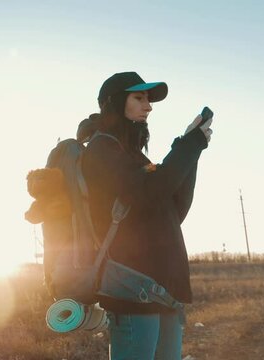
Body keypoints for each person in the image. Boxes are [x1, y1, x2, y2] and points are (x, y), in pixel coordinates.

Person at [81, 72, 213, 360]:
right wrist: (187, 146)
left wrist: (191, 147)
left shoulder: (135, 156)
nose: (149, 106)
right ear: (115, 102)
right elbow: (149, 194)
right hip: (132, 291)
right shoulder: (102, 149)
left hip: (164, 289)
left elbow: (173, 210)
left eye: (148, 99)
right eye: (139, 97)